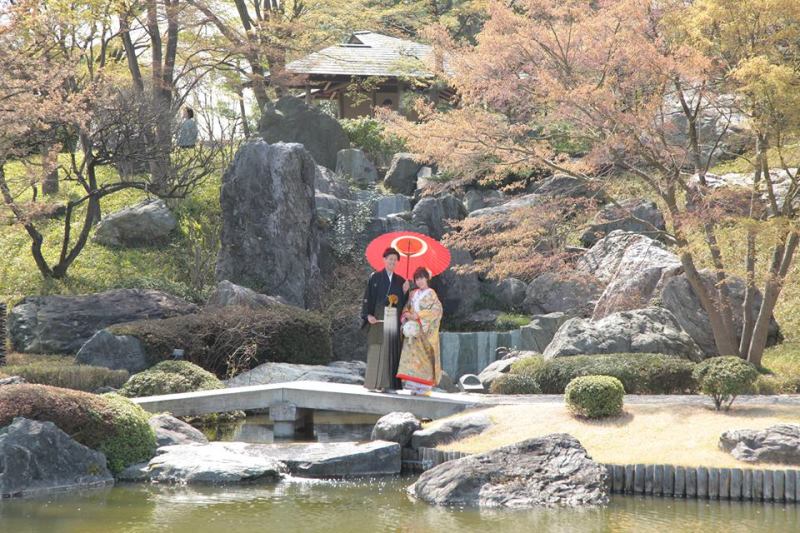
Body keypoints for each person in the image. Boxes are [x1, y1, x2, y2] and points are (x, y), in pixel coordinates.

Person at [361, 248, 410, 392]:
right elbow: (367, 297)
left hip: (392, 317)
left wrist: (405, 292)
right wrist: (368, 315)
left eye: (395, 260)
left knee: (390, 350)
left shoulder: (401, 281)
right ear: (384, 260)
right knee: (376, 348)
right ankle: (372, 383)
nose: (392, 262)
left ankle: (387, 385)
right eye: (390, 259)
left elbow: (404, 304)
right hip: (377, 316)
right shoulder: (375, 277)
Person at [396, 267, 443, 395]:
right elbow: (406, 307)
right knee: (413, 358)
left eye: (422, 278)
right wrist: (406, 314)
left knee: (424, 358)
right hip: (413, 330)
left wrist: (418, 315)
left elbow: (437, 310)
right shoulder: (413, 294)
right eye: (417, 279)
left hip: (424, 330)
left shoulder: (431, 293)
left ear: (427, 278)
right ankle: (414, 386)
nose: (419, 281)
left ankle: (424, 387)